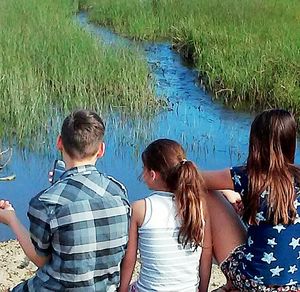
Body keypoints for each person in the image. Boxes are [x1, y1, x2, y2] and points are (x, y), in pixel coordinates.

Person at [0, 109, 130, 291]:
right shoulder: (119, 191)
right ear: (101, 150)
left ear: (59, 142)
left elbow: (40, 259)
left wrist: (11, 220)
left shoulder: (46, 201)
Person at [203, 109, 300, 291]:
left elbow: (195, 179)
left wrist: (225, 189)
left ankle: (228, 281)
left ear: (256, 143)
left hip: (254, 284)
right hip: (294, 286)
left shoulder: (248, 176)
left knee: (207, 194)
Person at [119, 138, 212, 292]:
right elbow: (206, 254)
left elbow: (130, 258)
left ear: (153, 174)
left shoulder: (140, 208)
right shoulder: (198, 208)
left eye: (144, 169)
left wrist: (122, 289)